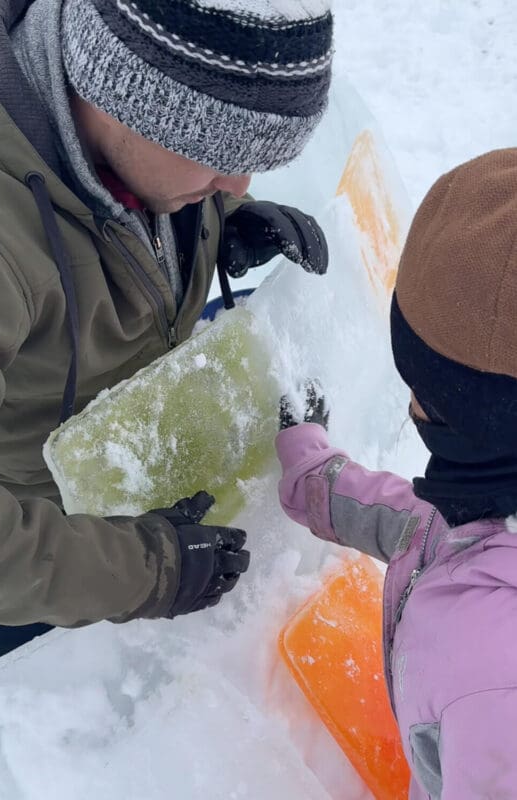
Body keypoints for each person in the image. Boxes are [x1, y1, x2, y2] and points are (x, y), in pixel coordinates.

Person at [0, 0, 332, 662]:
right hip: (25, 567)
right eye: (216, 157)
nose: (238, 179)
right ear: (120, 98)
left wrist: (222, 219)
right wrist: (144, 570)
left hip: (114, 502)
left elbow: (120, 206)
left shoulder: (125, 142)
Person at [275, 149, 517, 798]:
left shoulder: (495, 681)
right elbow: (412, 525)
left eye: (423, 392)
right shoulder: (487, 507)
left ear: (481, 424)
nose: (409, 405)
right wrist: (308, 466)